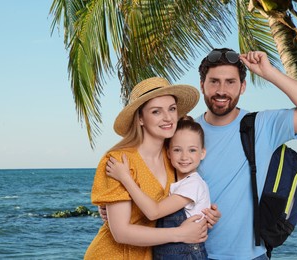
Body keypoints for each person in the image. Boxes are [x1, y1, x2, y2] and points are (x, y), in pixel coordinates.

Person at [196, 48, 297, 259]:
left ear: (243, 86)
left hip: (252, 256)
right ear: (202, 85)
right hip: (195, 253)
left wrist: (269, 73)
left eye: (230, 82)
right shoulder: (186, 133)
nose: (221, 90)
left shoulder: (262, 125)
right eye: (214, 81)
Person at [84, 77, 218, 260]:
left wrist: (205, 214)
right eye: (156, 111)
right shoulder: (119, 160)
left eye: (172, 109)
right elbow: (121, 233)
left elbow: (182, 200)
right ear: (140, 118)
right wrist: (180, 234)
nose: (168, 117)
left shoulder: (173, 157)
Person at [106, 115, 210, 259]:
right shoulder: (176, 182)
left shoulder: (193, 184)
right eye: (177, 150)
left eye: (192, 150)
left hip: (186, 254)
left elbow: (153, 212)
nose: (184, 157)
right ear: (168, 153)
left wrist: (125, 178)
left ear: (202, 153)